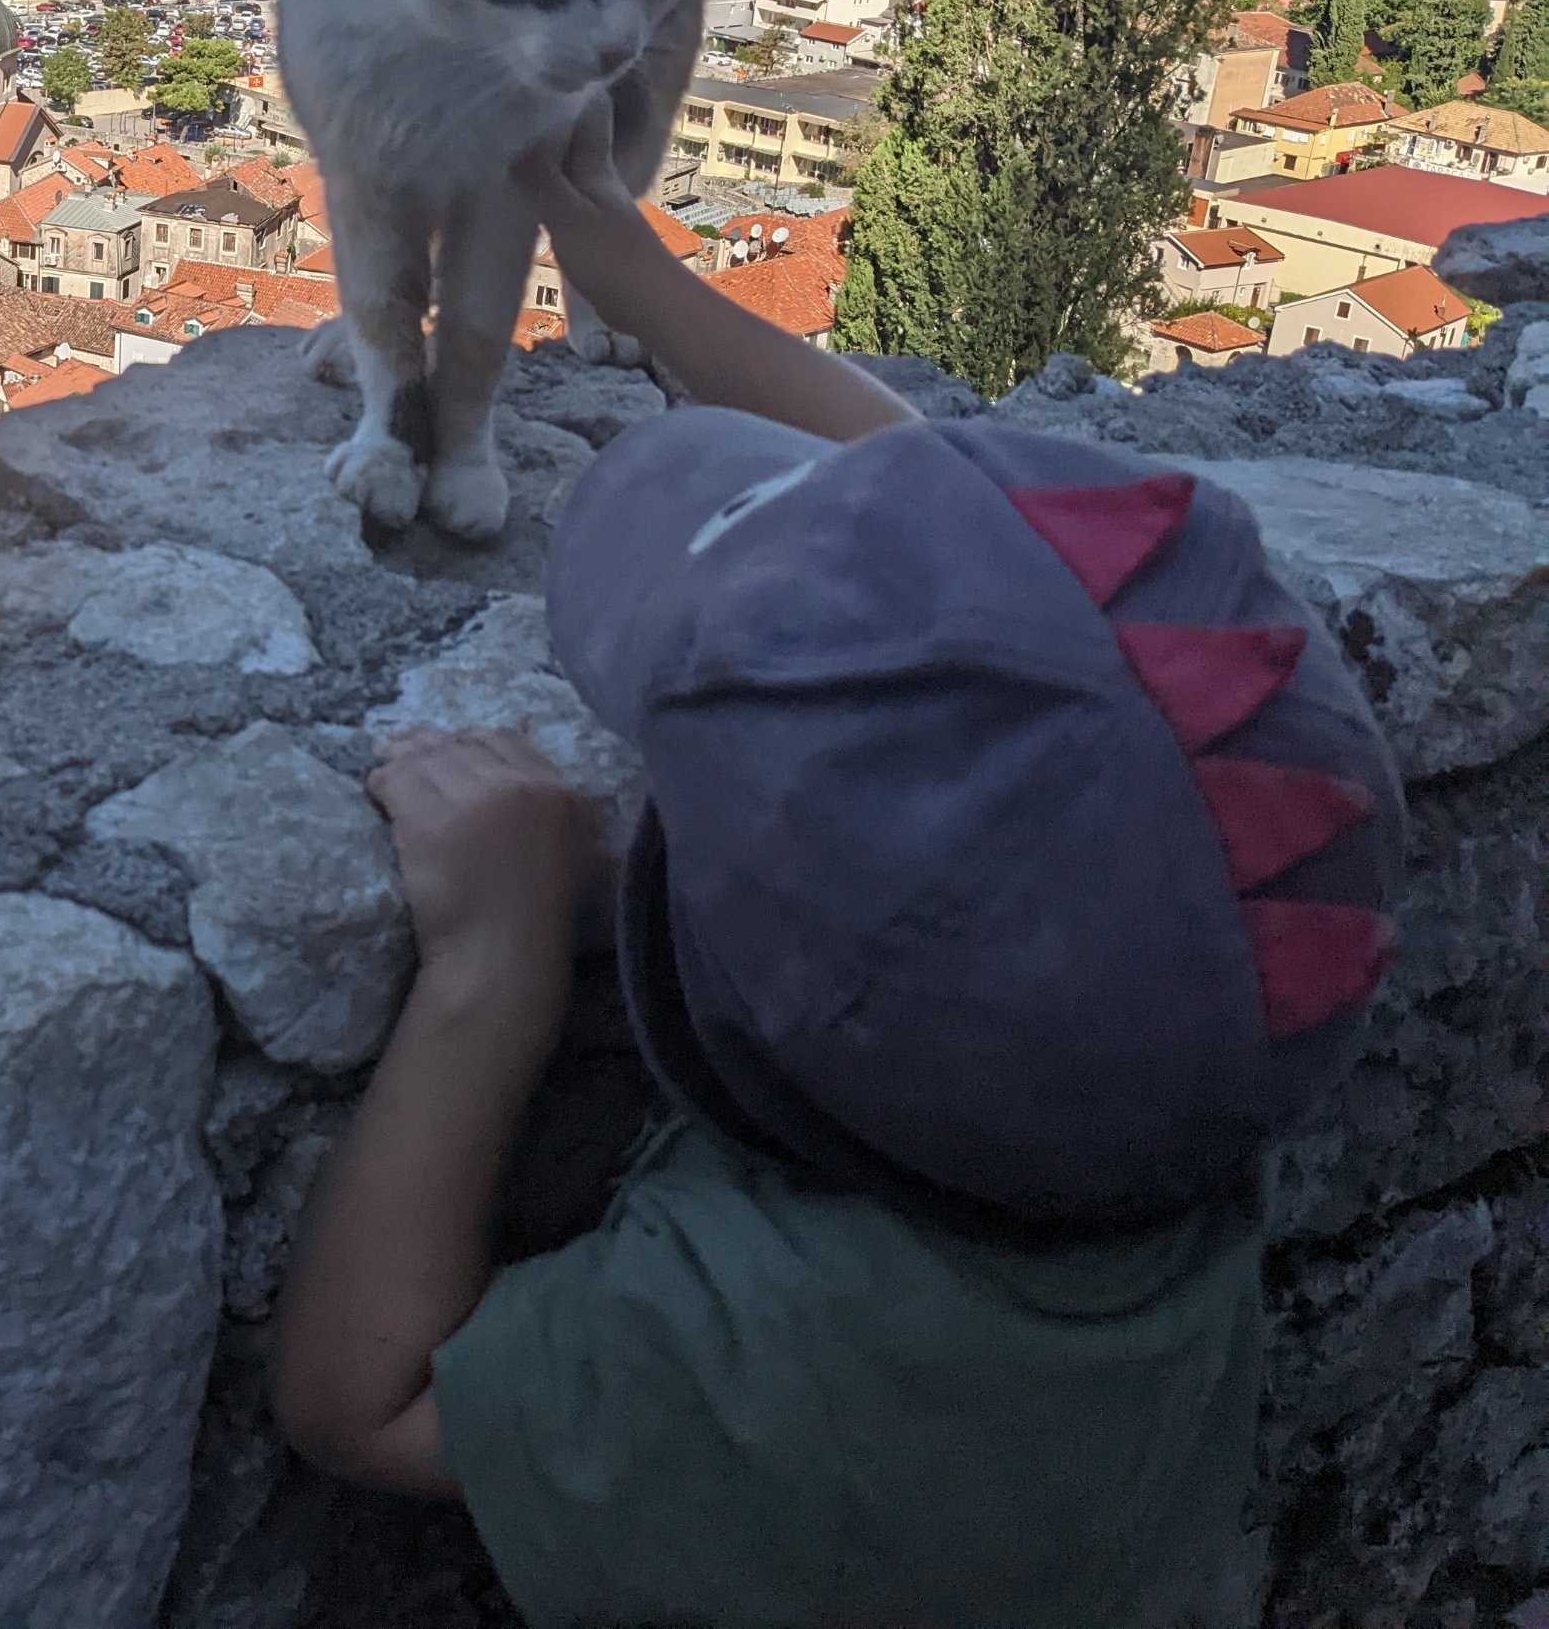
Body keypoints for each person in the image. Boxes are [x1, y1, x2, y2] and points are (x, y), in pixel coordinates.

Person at [270, 114, 1404, 1627]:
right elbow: (986, 567)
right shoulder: (1173, 1075)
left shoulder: (783, 1338)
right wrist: (640, 280)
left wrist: (492, 968)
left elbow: (360, 1403)